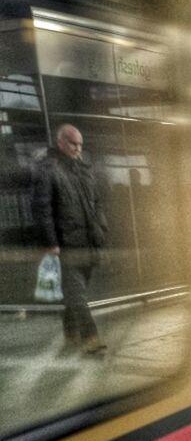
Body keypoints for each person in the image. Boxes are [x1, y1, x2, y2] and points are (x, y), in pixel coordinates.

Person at [32, 123, 108, 354]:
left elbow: (96, 203)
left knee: (76, 293)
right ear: (61, 142)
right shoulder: (48, 170)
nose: (78, 148)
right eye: (73, 144)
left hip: (88, 241)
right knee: (77, 294)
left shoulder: (84, 169)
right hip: (66, 244)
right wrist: (51, 242)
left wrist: (102, 229)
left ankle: (71, 334)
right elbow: (41, 209)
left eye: (80, 144)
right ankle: (91, 339)